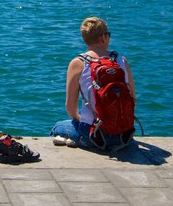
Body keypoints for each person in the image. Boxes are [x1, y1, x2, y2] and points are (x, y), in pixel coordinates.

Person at [50, 17, 136, 150]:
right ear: (103, 37)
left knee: (57, 127)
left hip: (94, 136)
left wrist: (81, 119)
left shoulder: (78, 63)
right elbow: (133, 100)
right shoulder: (122, 61)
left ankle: (76, 139)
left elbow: (70, 107)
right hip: (123, 136)